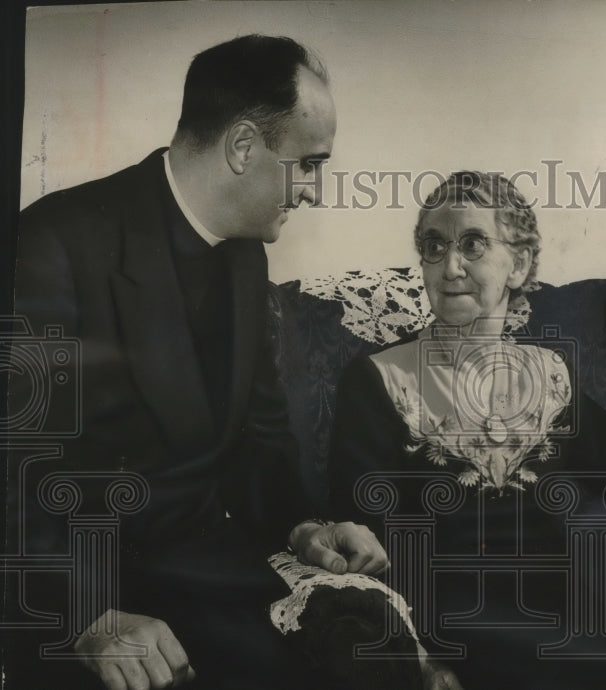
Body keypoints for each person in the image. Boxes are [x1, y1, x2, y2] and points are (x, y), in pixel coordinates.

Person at [6, 35, 393, 690]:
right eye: (309, 163)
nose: (316, 191)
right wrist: (89, 618)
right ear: (243, 147)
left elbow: (262, 440)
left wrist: (305, 527)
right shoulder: (52, 243)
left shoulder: (246, 256)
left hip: (203, 568)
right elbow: (15, 473)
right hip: (80, 590)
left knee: (369, 653)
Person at [327, 171, 606, 690]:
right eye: (434, 246)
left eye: (473, 245)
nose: (450, 267)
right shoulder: (380, 378)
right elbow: (363, 533)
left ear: (519, 264)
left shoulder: (550, 373)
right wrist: (418, 653)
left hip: (566, 602)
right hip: (449, 613)